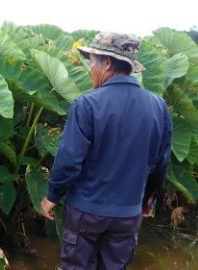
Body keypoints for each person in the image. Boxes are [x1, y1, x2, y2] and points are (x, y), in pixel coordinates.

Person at [40, 32, 173, 269]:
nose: (90, 68)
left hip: (86, 212)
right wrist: (146, 202)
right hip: (128, 214)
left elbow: (70, 161)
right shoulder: (158, 107)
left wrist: (52, 196)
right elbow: (161, 161)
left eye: (92, 61)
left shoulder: (87, 104)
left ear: (108, 63)